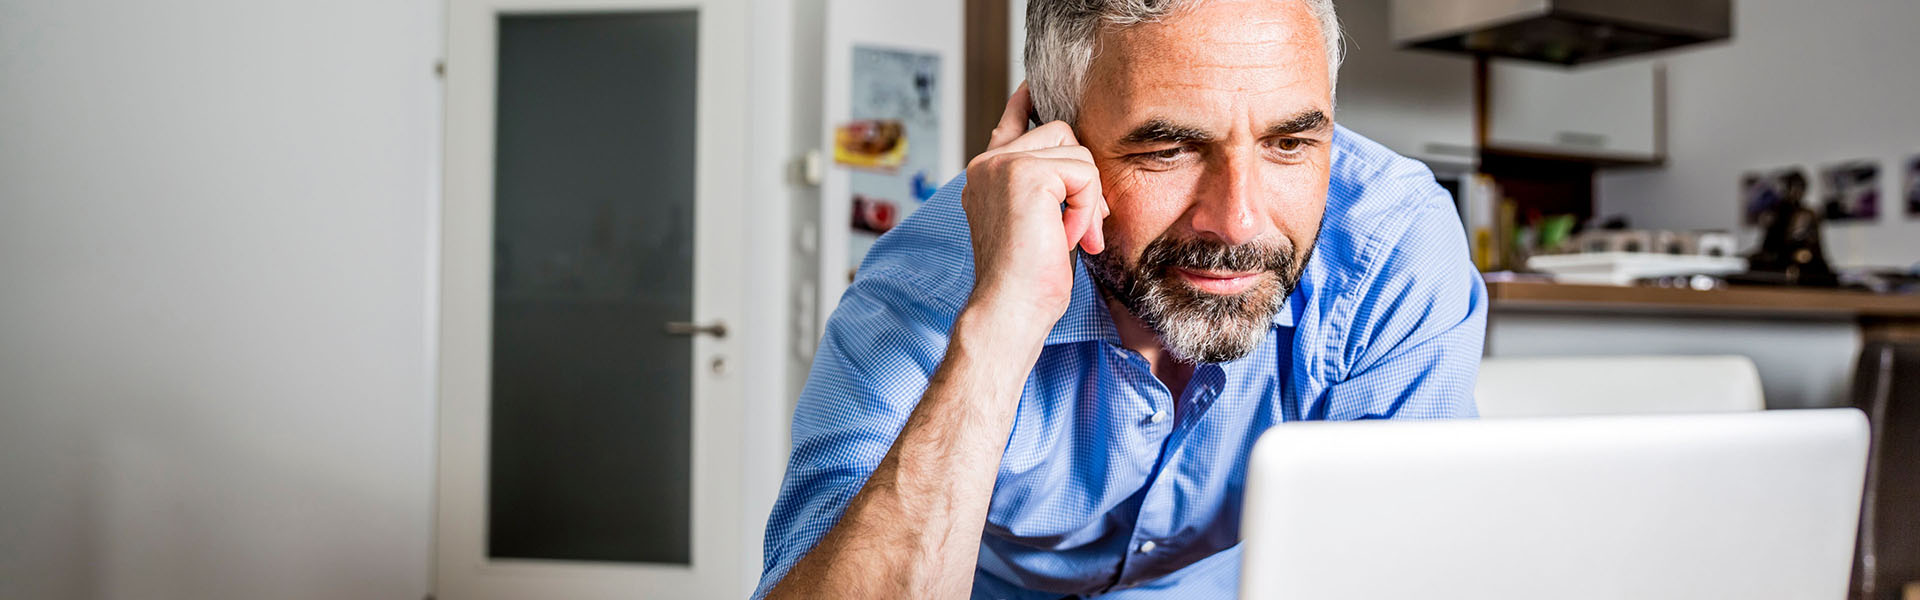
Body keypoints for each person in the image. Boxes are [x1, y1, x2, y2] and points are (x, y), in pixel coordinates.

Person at [757, 0, 1485, 597]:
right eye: (1167, 149)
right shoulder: (928, 286)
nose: (1239, 221)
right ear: (1053, 137)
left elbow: (1404, 565)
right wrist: (1001, 329)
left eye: (1289, 144)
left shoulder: (1393, 248)